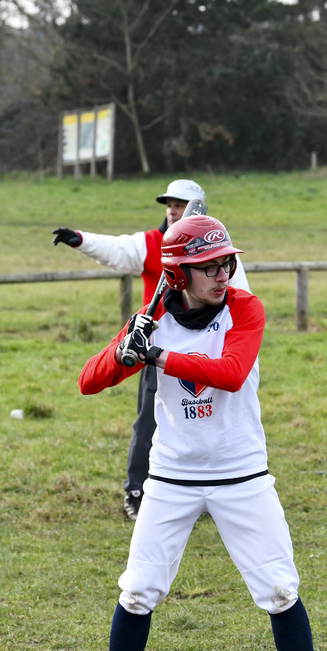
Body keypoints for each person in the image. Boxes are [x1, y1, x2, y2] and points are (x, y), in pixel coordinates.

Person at [61, 213, 327, 651]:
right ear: (177, 275)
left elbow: (232, 373)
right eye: (208, 267)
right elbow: (87, 381)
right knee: (138, 590)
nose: (223, 274)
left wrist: (159, 356)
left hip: (242, 475)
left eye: (226, 263)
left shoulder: (245, 308)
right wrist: (123, 351)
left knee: (280, 588)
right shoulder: (152, 320)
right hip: (171, 478)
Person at [52, 179, 248, 521]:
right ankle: (137, 489)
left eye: (180, 204)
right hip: (152, 338)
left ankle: (210, 492)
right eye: (169, 204)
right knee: (149, 422)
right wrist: (80, 240)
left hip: (204, 353)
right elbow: (118, 249)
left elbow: (237, 301)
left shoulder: (220, 255)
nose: (172, 210)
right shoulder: (153, 244)